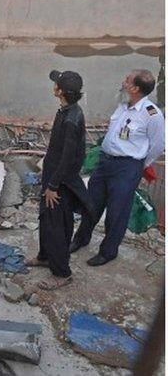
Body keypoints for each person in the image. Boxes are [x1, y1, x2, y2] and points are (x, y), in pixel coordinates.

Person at [72, 70, 165, 266]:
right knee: (91, 203)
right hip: (105, 162)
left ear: (135, 88)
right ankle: (81, 239)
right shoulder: (123, 105)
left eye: (127, 81)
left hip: (127, 167)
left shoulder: (152, 114)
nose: (123, 83)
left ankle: (108, 252)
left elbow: (157, 145)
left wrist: (139, 164)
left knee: (117, 212)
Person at [28, 71, 90, 291]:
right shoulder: (66, 111)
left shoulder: (72, 119)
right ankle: (45, 257)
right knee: (46, 219)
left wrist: (53, 186)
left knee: (57, 226)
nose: (53, 85)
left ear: (60, 91)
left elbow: (69, 157)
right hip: (52, 177)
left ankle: (62, 273)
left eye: (56, 83)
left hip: (60, 183)